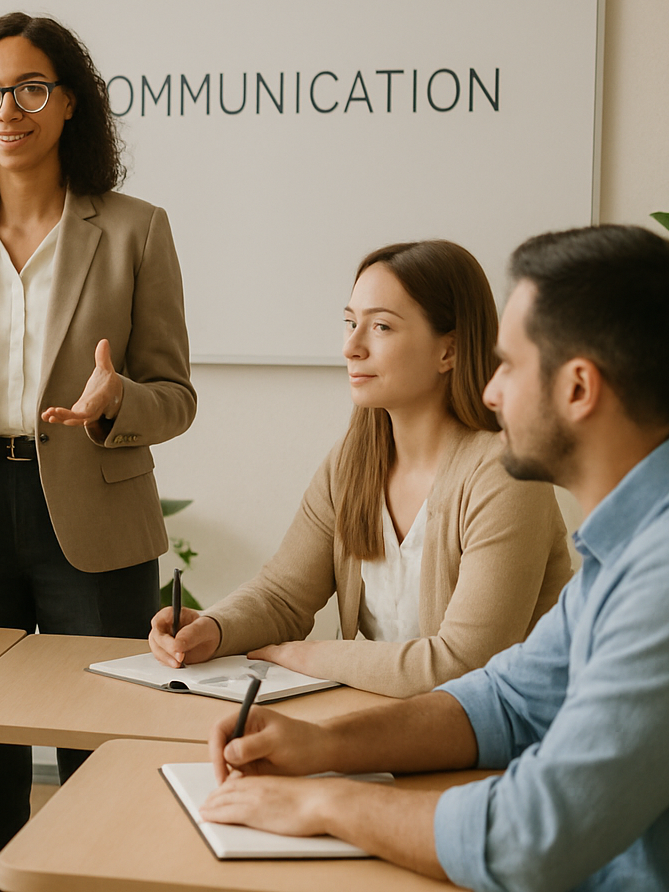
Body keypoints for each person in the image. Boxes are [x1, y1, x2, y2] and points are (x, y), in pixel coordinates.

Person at [201, 225, 669, 891]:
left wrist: (325, 802)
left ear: (578, 389)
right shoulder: (637, 540)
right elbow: (508, 702)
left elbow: (531, 837)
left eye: (509, 364)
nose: (491, 391)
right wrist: (325, 747)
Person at [0, 11, 196, 886]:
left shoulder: (135, 229)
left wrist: (114, 405)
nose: (6, 110)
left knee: (97, 746)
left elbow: (175, 395)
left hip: (92, 515)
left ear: (69, 106)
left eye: (29, 89)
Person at [151, 240, 573, 698]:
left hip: (509, 742)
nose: (352, 347)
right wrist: (212, 628)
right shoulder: (351, 462)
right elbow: (284, 595)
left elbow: (464, 666)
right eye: (350, 323)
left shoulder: (506, 475)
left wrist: (308, 657)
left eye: (381, 327)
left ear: (448, 351)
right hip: (389, 723)